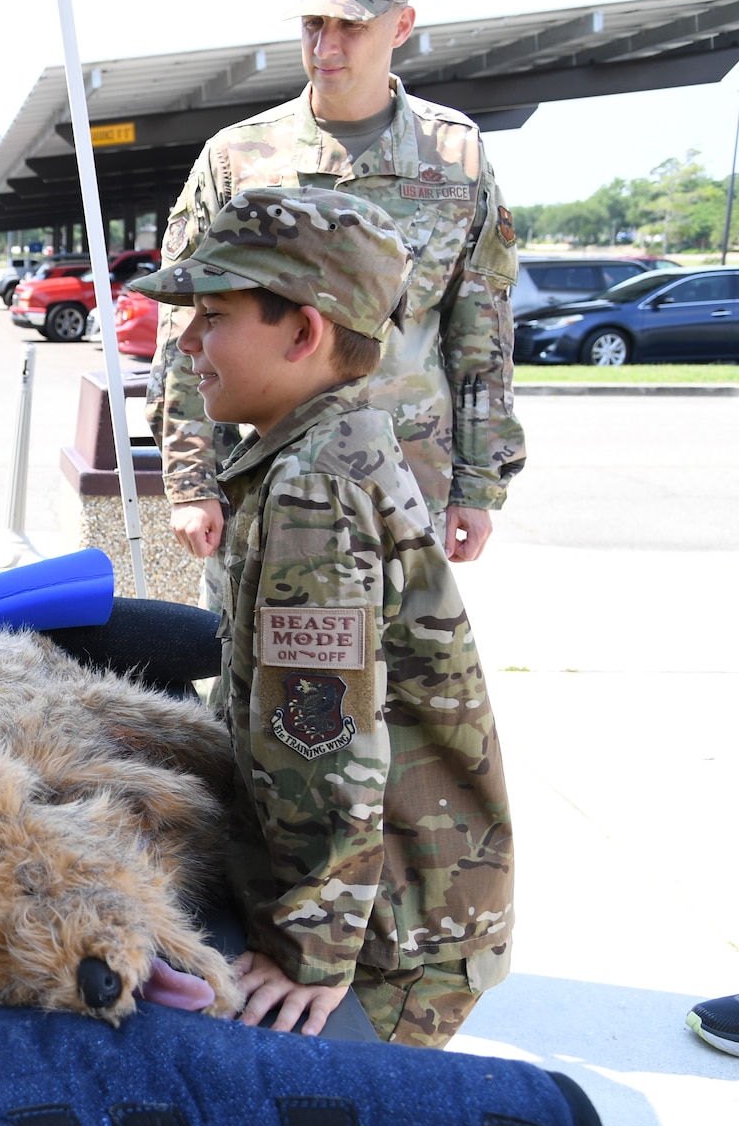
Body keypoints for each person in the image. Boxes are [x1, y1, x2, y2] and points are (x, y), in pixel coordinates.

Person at [126, 187, 514, 1048]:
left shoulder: (314, 490)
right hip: (376, 900)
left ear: (303, 332)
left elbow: (322, 739)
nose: (187, 343)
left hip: (387, 945)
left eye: (214, 316)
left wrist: (310, 947)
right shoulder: (321, 450)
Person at [148, 0, 524, 572]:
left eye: (351, 25)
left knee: (404, 667)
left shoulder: (454, 157)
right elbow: (187, 329)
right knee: (251, 663)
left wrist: (478, 485)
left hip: (410, 485)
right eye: (313, 23)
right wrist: (192, 483)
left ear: (401, 24)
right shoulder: (239, 159)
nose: (326, 47)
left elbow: (480, 328)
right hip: (271, 481)